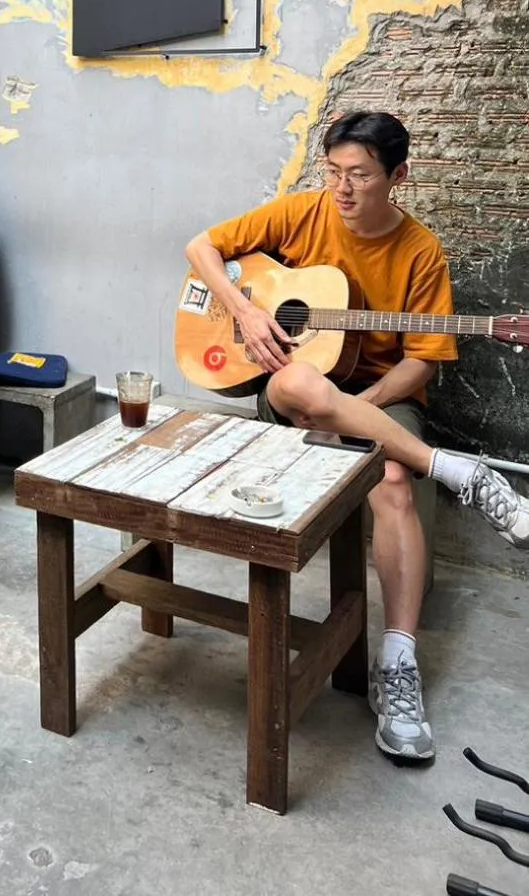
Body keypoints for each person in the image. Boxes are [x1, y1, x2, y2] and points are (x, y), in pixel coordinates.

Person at [185, 111, 529, 764]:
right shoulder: (301, 213)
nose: (340, 189)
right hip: (293, 389)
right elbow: (199, 247)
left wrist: (350, 407)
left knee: (392, 477)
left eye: (360, 176)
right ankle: (460, 472)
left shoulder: (420, 251)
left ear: (397, 176)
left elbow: (420, 363)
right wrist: (247, 308)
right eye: (333, 171)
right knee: (297, 381)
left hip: (380, 396)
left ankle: (397, 662)